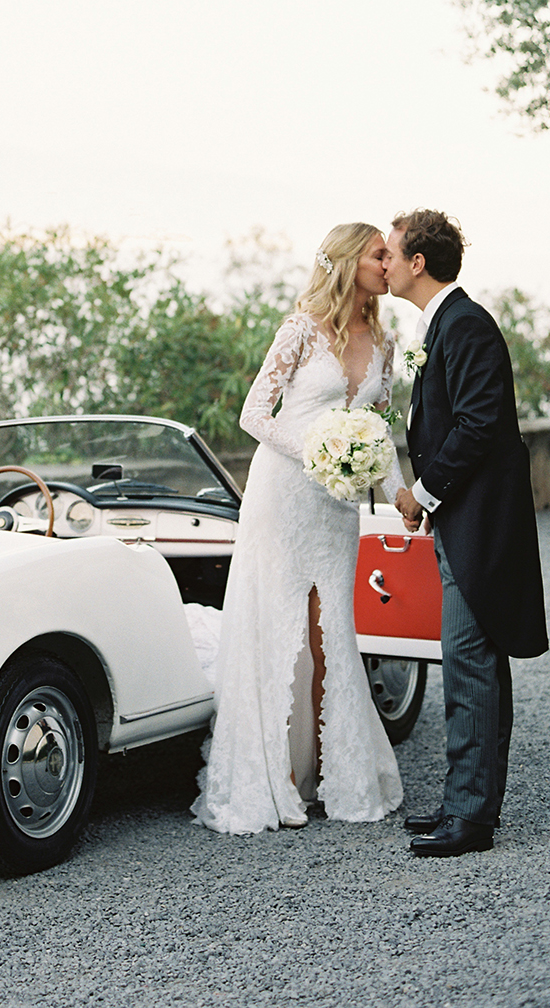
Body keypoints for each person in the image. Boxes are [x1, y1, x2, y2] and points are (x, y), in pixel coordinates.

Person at [192, 222, 404, 835]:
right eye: (377, 254)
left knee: (329, 630)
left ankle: (322, 773)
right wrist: (320, 451)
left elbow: (379, 434)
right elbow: (254, 413)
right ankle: (273, 778)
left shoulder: (385, 344)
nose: (387, 263)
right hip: (285, 490)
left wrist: (400, 496)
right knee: (281, 625)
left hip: (337, 505)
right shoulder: (301, 329)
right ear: (348, 263)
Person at [384, 209, 548, 857]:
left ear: (418, 262)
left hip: (479, 523)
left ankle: (470, 820)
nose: (385, 265)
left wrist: (421, 493)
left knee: (469, 666)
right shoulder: (446, 325)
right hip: (461, 519)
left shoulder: (465, 325)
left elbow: (478, 426)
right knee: (471, 665)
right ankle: (467, 806)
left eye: (391, 254)